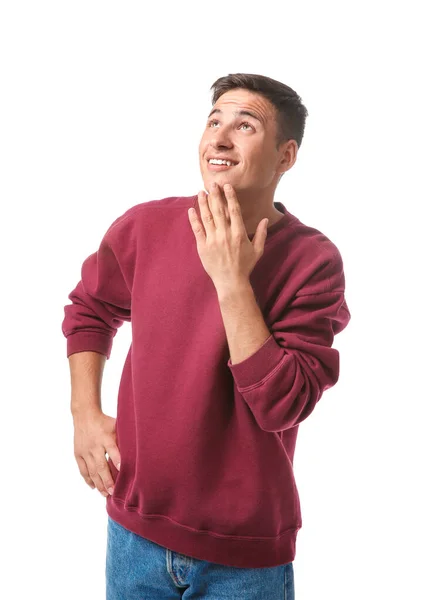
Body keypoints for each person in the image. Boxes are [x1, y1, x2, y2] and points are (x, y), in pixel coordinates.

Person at [62, 72, 351, 599]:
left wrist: (231, 279)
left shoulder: (314, 262)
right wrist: (84, 412)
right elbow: (90, 307)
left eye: (245, 125)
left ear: (286, 157)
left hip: (244, 558)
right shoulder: (145, 226)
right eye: (214, 120)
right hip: (133, 535)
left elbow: (282, 404)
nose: (219, 137)